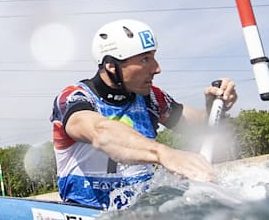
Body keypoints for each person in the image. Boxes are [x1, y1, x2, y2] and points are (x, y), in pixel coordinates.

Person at [51, 19, 237, 210]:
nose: (157, 68)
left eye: (154, 57)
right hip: (88, 218)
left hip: (143, 215)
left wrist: (214, 106)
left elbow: (199, 127)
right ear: (111, 66)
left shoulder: (152, 98)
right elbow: (101, 133)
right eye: (145, 59)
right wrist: (164, 154)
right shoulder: (74, 98)